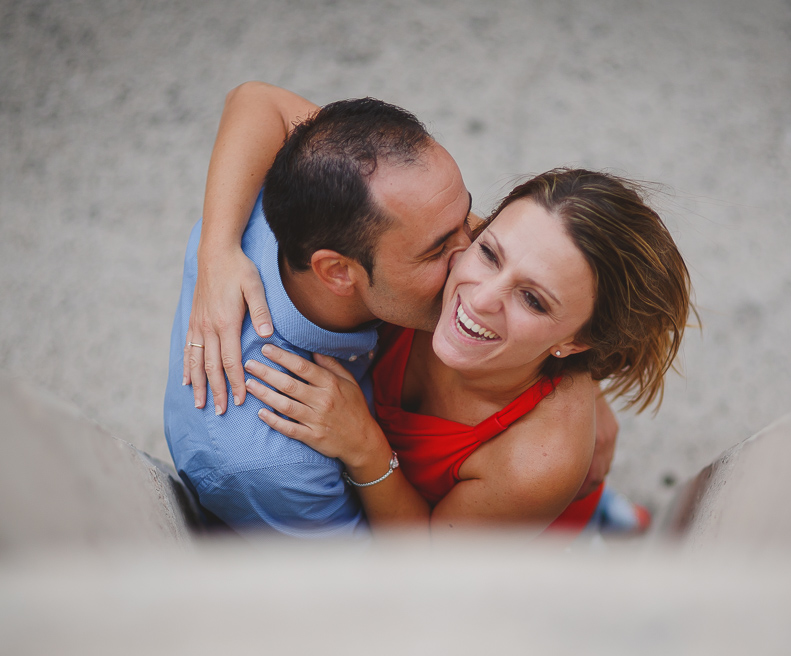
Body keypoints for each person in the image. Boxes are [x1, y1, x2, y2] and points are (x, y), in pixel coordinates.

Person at [164, 83, 621, 536]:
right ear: (339, 272)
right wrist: (366, 449)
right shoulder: (276, 464)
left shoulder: (322, 189)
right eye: (439, 248)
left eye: (467, 221)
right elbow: (397, 585)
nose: (470, 262)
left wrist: (217, 248)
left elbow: (255, 98)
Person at [242, 167, 691, 535]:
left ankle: (595, 522)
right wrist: (218, 252)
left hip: (511, 532)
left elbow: (435, 571)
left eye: (532, 299)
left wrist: (364, 446)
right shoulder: (447, 246)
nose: (479, 299)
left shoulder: (538, 459)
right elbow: (263, 104)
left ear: (574, 342)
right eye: (490, 254)